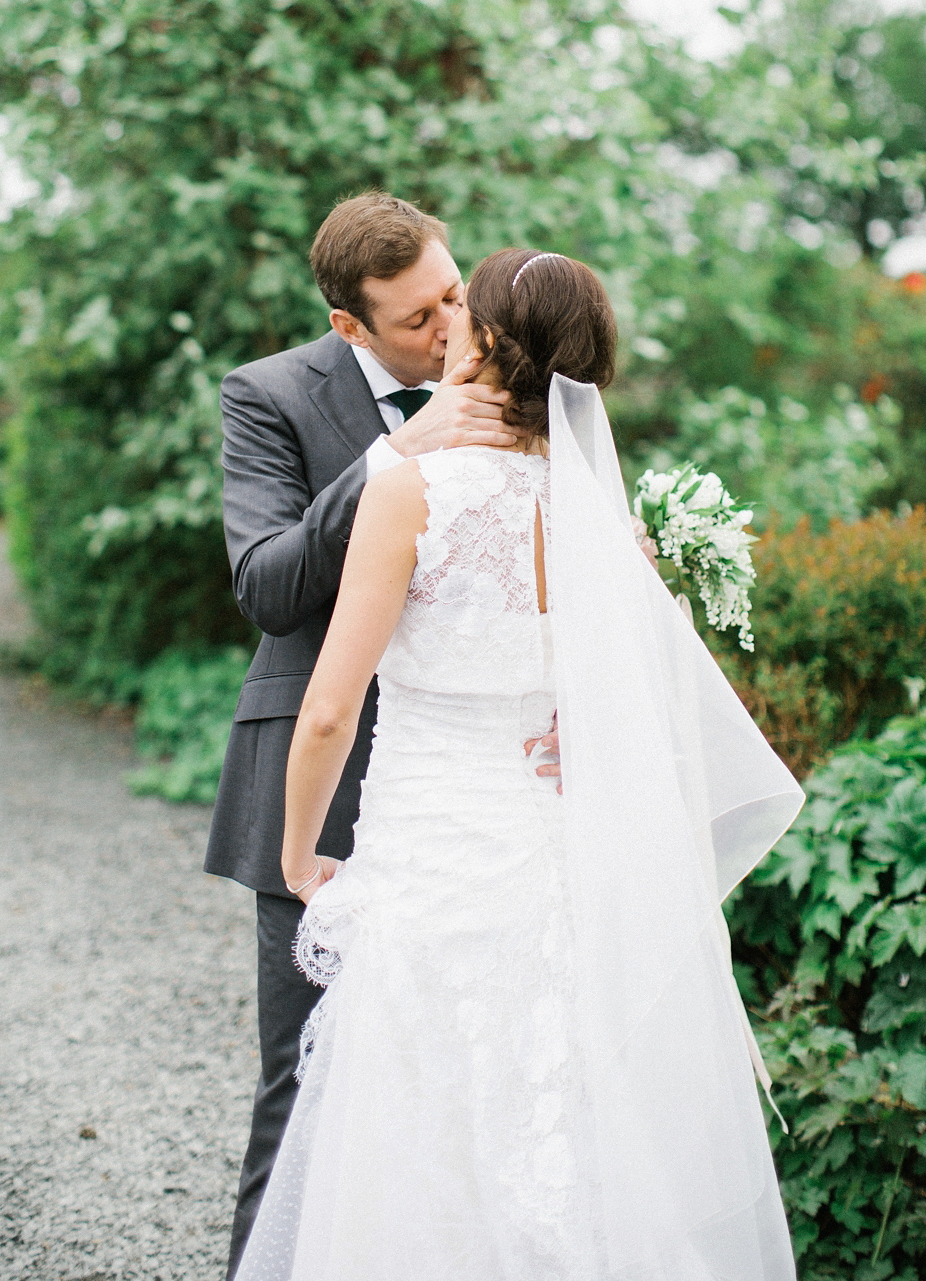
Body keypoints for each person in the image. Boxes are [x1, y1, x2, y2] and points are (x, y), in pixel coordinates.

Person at [233, 247, 805, 1281]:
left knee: (416, 1115)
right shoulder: (600, 519)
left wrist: (298, 855)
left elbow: (328, 709)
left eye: (462, 304)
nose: (445, 316)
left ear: (488, 343)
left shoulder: (410, 489)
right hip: (552, 860)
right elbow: (617, 702)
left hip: (431, 857)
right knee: (555, 1107)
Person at [207, 195, 525, 1276]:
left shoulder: (513, 373)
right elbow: (268, 586)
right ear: (350, 327)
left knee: (469, 1083)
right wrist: (398, 456)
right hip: (324, 783)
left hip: (477, 796)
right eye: (415, 320)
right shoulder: (267, 396)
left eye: (452, 295)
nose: (448, 329)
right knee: (306, 1076)